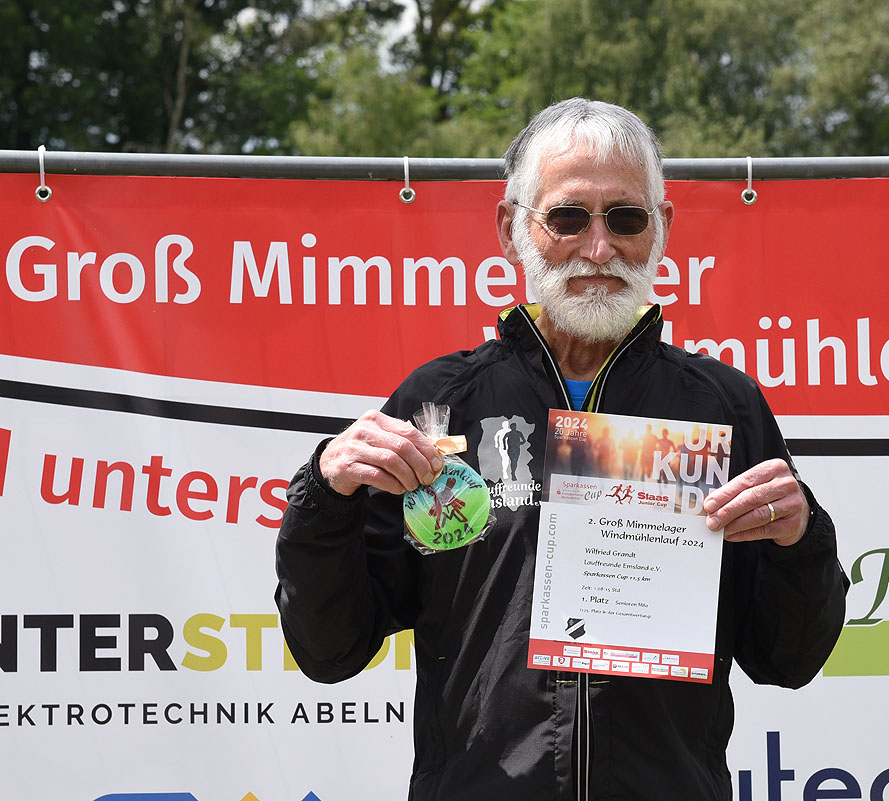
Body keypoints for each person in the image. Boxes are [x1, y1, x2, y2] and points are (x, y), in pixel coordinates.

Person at [275, 97, 848, 801]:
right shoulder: (439, 405)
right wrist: (325, 493)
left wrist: (800, 539)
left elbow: (788, 659)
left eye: (626, 218)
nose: (599, 248)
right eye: (569, 217)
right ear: (511, 227)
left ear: (663, 229)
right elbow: (329, 649)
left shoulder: (722, 408)